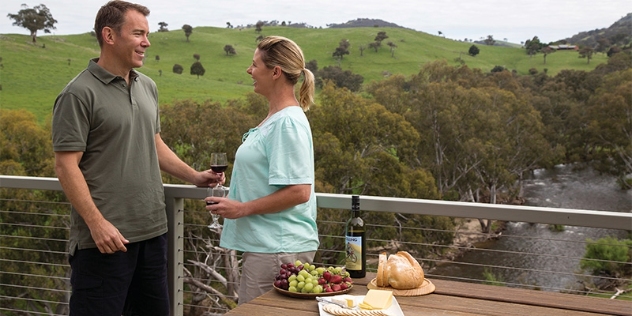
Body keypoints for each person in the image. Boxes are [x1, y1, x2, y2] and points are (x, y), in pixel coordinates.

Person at [51, 1, 222, 315]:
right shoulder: (78, 94)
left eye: (147, 34)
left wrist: (194, 177)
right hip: (104, 241)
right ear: (110, 35)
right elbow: (65, 165)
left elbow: (153, 143)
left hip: (153, 233)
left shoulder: (148, 87)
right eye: (139, 34)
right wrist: (97, 224)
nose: (147, 42)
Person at [206, 36, 319, 304]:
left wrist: (242, 209)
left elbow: (300, 191)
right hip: (268, 248)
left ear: (276, 72)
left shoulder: (287, 123)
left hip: (278, 249)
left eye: (255, 64)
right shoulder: (275, 119)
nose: (249, 70)